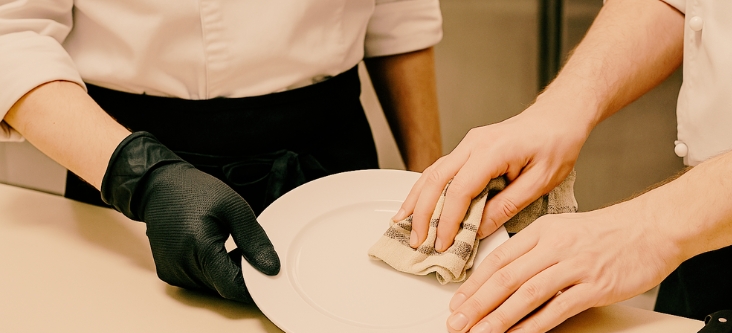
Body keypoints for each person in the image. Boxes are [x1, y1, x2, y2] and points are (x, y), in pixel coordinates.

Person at [395, 0, 732, 333]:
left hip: (691, 223)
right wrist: (563, 107)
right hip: (706, 238)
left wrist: (649, 227)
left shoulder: (659, 230)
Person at [0, 1, 443, 303]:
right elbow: (12, 32)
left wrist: (429, 184)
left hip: (330, 163)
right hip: (124, 180)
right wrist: (142, 178)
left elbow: (400, 14)